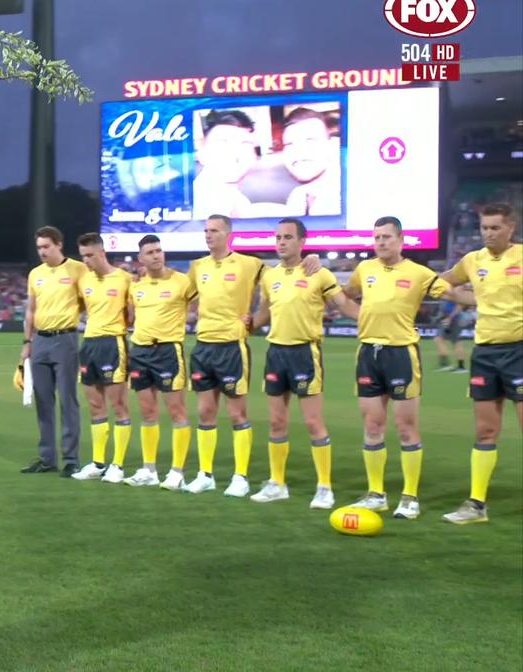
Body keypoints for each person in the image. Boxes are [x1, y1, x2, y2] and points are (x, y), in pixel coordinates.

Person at [342, 217, 474, 519]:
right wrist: (358, 317)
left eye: (387, 237)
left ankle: (409, 497)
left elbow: (454, 294)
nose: (381, 242)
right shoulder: (365, 270)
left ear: (401, 240)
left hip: (401, 354)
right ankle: (376, 494)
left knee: (406, 428)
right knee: (372, 425)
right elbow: (345, 297)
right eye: (377, 237)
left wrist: (491, 298)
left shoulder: (419, 273)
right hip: (368, 354)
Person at [249, 219, 359, 507]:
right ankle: (277, 483)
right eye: (278, 237)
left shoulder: (318, 274)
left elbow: (345, 305)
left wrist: (374, 319)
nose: (281, 242)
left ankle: (324, 487)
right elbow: (263, 314)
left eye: (287, 237)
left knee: (313, 422)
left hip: (305, 353)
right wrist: (243, 325)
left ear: (302, 241)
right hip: (276, 352)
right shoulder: (269, 276)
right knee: (276, 422)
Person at [438, 203, 521, 524]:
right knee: (485, 431)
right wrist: (462, 297)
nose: (488, 233)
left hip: (519, 352)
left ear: (510, 228)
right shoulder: (472, 261)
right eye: (485, 227)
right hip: (485, 353)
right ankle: (476, 505)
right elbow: (441, 282)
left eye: (495, 228)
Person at [184, 215, 270, 495]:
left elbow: (278, 284)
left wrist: (257, 318)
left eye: (214, 231)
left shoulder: (249, 264)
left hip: (232, 345)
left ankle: (240, 477)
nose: (209, 235)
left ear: (228, 234)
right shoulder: (198, 267)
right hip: (203, 345)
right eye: (206, 230)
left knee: (237, 413)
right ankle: (205, 474)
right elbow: (185, 298)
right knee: (205, 411)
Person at [122, 235, 197, 489]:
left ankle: (177, 471)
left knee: (177, 411)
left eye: (159, 250)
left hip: (168, 351)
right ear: (141, 259)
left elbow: (204, 304)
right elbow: (130, 316)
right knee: (147, 412)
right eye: (150, 252)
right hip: (140, 351)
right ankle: (149, 470)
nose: (156, 255)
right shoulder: (135, 286)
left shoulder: (182, 282)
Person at [20, 226, 88, 477]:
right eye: (39, 247)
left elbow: (88, 300)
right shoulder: (35, 274)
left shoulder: (78, 269)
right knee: (43, 401)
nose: (42, 252)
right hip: (40, 342)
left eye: (46, 246)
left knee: (68, 400)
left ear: (59, 244)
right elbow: (31, 310)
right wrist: (27, 343)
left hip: (65, 339)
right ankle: (47, 458)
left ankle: (71, 459)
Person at [70, 233, 135, 482]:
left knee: (119, 406)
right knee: (96, 406)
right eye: (83, 256)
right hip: (89, 344)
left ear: (102, 253)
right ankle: (98, 463)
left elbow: (133, 313)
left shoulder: (124, 279)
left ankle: (117, 465)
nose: (86, 261)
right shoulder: (84, 282)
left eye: (90, 255)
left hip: (113, 343)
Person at [192, 110, 259, 220]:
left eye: (245, 143)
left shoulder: (239, 201)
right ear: (201, 153)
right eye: (223, 142)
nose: (235, 152)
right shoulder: (196, 205)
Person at [279, 107, 342, 217]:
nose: (298, 151)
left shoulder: (353, 198)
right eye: (289, 144)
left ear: (332, 145)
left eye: (310, 140)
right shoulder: (298, 196)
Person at [433, 299, 471, 372]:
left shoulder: (454, 290)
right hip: (449, 319)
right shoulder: (450, 291)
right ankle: (448, 364)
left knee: (454, 341)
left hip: (452, 320)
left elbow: (460, 305)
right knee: (442, 340)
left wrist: (450, 318)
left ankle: (457, 366)